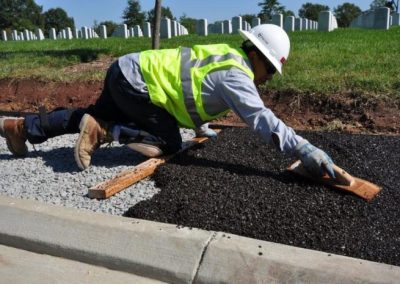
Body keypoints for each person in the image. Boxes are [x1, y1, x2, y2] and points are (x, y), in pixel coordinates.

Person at [0, 24, 335, 178]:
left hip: (125, 71)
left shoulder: (226, 54)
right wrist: (305, 150)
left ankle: (22, 128)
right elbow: (262, 119)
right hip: (139, 87)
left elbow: (193, 84)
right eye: (271, 71)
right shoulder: (239, 76)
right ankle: (106, 131)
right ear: (258, 56)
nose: (268, 79)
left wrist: (203, 126)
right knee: (169, 142)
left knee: (89, 114)